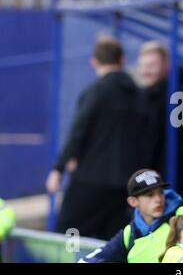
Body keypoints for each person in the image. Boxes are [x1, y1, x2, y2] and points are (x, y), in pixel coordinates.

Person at [46, 36, 151, 240]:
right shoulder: (139, 95)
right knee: (110, 241)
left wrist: (59, 168)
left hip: (90, 178)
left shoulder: (96, 91)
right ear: (122, 61)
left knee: (69, 233)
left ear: (94, 62)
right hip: (124, 183)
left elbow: (79, 130)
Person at [79, 169, 183, 263]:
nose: (158, 199)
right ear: (133, 202)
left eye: (160, 193)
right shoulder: (129, 234)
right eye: (150, 195)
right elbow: (87, 260)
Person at [137, 41, 183, 202]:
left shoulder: (178, 98)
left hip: (171, 182)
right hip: (158, 180)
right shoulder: (146, 96)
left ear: (167, 66)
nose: (146, 71)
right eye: (143, 66)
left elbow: (182, 146)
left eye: (152, 65)